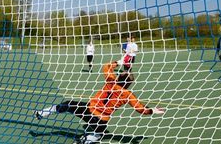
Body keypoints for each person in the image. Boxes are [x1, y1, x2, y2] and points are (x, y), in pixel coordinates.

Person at [34, 61, 164, 144]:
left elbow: (106, 67)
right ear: (129, 84)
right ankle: (85, 140)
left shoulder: (111, 80)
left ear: (118, 77)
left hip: (88, 110)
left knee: (66, 105)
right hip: (101, 120)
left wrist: (117, 63)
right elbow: (141, 109)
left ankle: (41, 113)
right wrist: (152, 110)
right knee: (99, 134)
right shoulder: (128, 95)